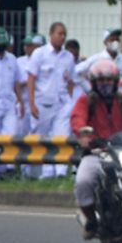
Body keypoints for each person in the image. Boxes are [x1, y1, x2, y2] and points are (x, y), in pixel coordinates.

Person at [71, 60, 122, 239]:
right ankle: (91, 220)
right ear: (93, 82)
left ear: (117, 81)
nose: (106, 84)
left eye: (109, 80)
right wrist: (83, 133)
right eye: (101, 81)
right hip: (97, 152)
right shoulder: (86, 101)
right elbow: (78, 118)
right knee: (84, 181)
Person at [26, 22, 75, 179]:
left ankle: (60, 172)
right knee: (43, 137)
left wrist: (69, 99)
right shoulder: (40, 54)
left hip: (62, 103)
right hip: (43, 103)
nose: (62, 37)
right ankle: (43, 174)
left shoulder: (68, 57)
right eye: (59, 34)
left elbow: (71, 81)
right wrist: (32, 103)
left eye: (64, 35)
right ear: (51, 34)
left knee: (61, 136)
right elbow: (31, 78)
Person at [75, 27, 122, 94]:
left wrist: (121, 87)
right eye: (112, 39)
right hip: (100, 98)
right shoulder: (96, 59)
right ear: (105, 42)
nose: (115, 42)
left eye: (117, 39)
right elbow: (76, 72)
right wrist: (89, 88)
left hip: (118, 99)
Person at [0, 28, 20, 179]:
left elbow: (17, 82)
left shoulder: (12, 59)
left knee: (10, 135)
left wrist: (22, 103)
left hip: (9, 103)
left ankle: (9, 168)